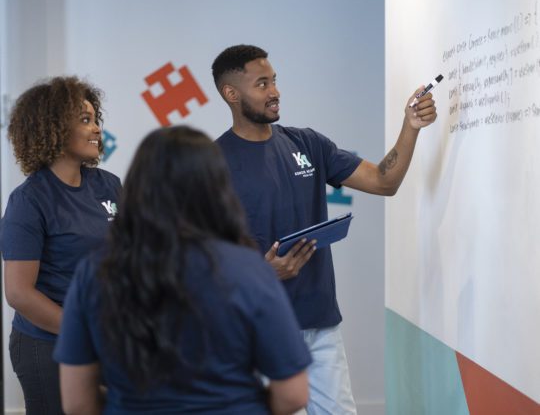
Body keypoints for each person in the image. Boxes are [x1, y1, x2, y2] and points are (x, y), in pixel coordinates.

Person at [212, 44, 438, 414]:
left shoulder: (306, 143)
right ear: (232, 94)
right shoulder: (211, 162)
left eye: (275, 81)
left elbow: (384, 181)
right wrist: (262, 272)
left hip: (320, 325)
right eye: (262, 84)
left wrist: (410, 126)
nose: (275, 92)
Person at [53, 125, 311, 414]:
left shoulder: (95, 271)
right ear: (218, 189)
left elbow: (77, 403)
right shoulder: (249, 270)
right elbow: (293, 394)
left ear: (138, 188)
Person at [0, 76, 121, 414]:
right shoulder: (29, 200)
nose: (96, 129)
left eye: (95, 118)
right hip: (48, 345)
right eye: (85, 120)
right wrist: (83, 330)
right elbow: (20, 294)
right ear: (52, 128)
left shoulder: (109, 186)